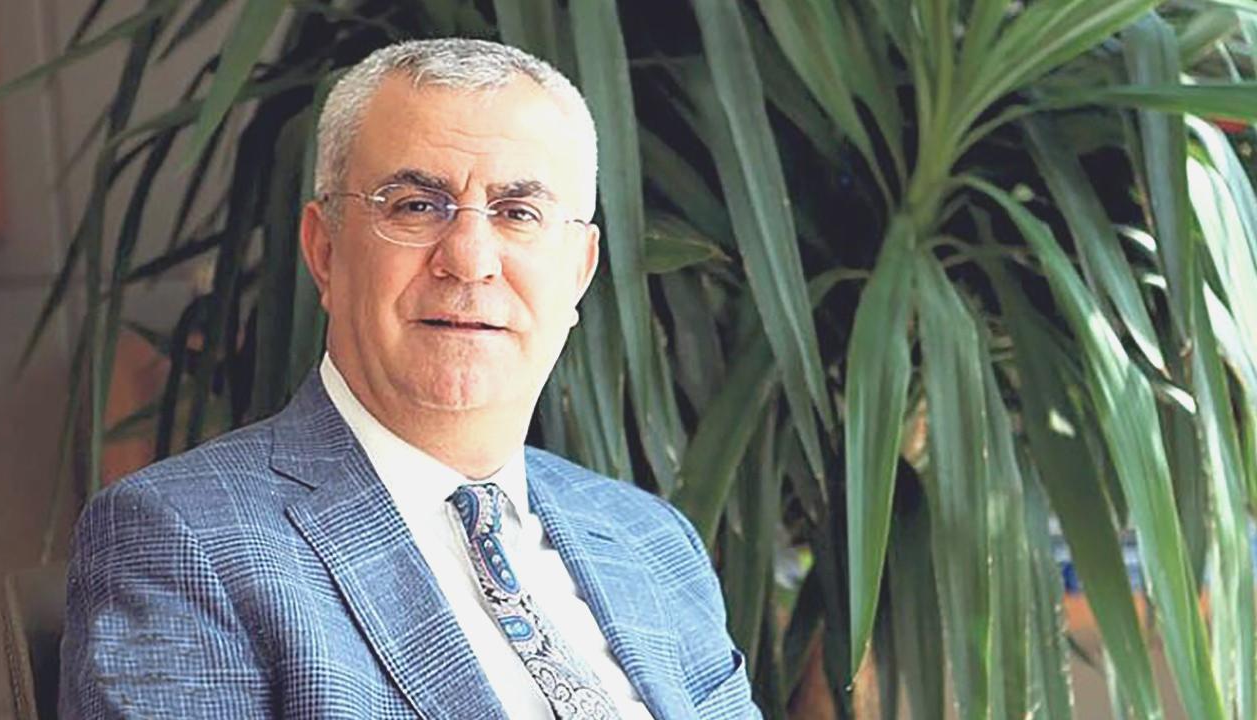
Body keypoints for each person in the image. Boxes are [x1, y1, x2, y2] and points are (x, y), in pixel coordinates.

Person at [58, 38, 759, 719]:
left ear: (578, 271)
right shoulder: (183, 539)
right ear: (325, 251)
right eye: (417, 205)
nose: (470, 259)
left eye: (519, 213)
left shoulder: (652, 541)